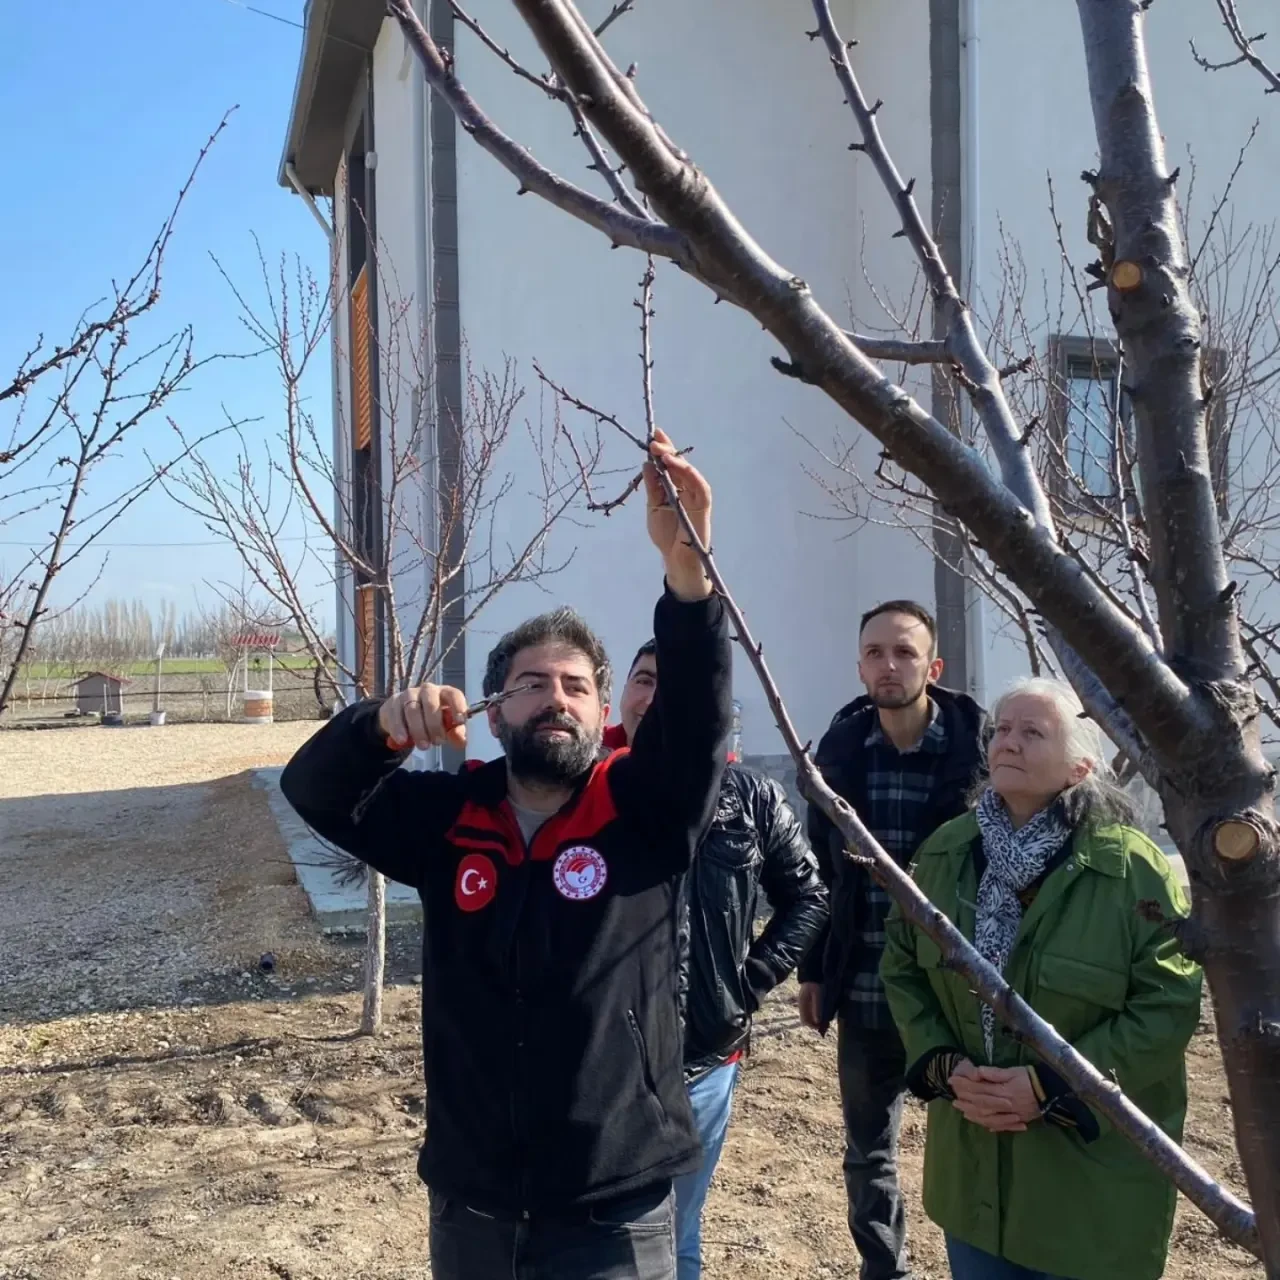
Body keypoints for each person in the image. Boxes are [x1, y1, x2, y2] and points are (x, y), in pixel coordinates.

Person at [279, 431, 731, 1280]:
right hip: (473, 1203)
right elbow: (315, 793)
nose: (554, 700)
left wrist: (687, 575)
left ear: (603, 715)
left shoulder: (644, 812)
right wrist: (378, 727)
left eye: (575, 686)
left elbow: (700, 728)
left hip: (614, 1209)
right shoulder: (451, 816)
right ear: (494, 712)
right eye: (531, 683)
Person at [880, 678, 1202, 1280]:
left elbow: (1166, 1008)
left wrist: (1051, 1083)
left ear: (1081, 765)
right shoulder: (945, 854)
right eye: (1002, 728)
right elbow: (902, 968)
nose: (1009, 741)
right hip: (974, 1182)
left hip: (1088, 1196)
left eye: (1033, 732)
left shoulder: (1132, 870)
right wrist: (946, 1067)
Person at [608, 642, 830, 1280]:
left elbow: (809, 896)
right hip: (598, 1060)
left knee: (676, 1228)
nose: (655, 695)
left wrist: (747, 982)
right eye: (644, 679)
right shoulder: (582, 788)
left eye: (675, 684)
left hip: (703, 1059)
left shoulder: (752, 798)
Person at [798, 600, 985, 1280]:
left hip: (955, 990)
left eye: (904, 652)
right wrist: (817, 969)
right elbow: (821, 877)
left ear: (932, 667)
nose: (888, 665)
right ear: (859, 665)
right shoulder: (838, 755)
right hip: (870, 989)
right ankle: (886, 1270)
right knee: (868, 1150)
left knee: (974, 1137)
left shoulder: (980, 754)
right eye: (875, 652)